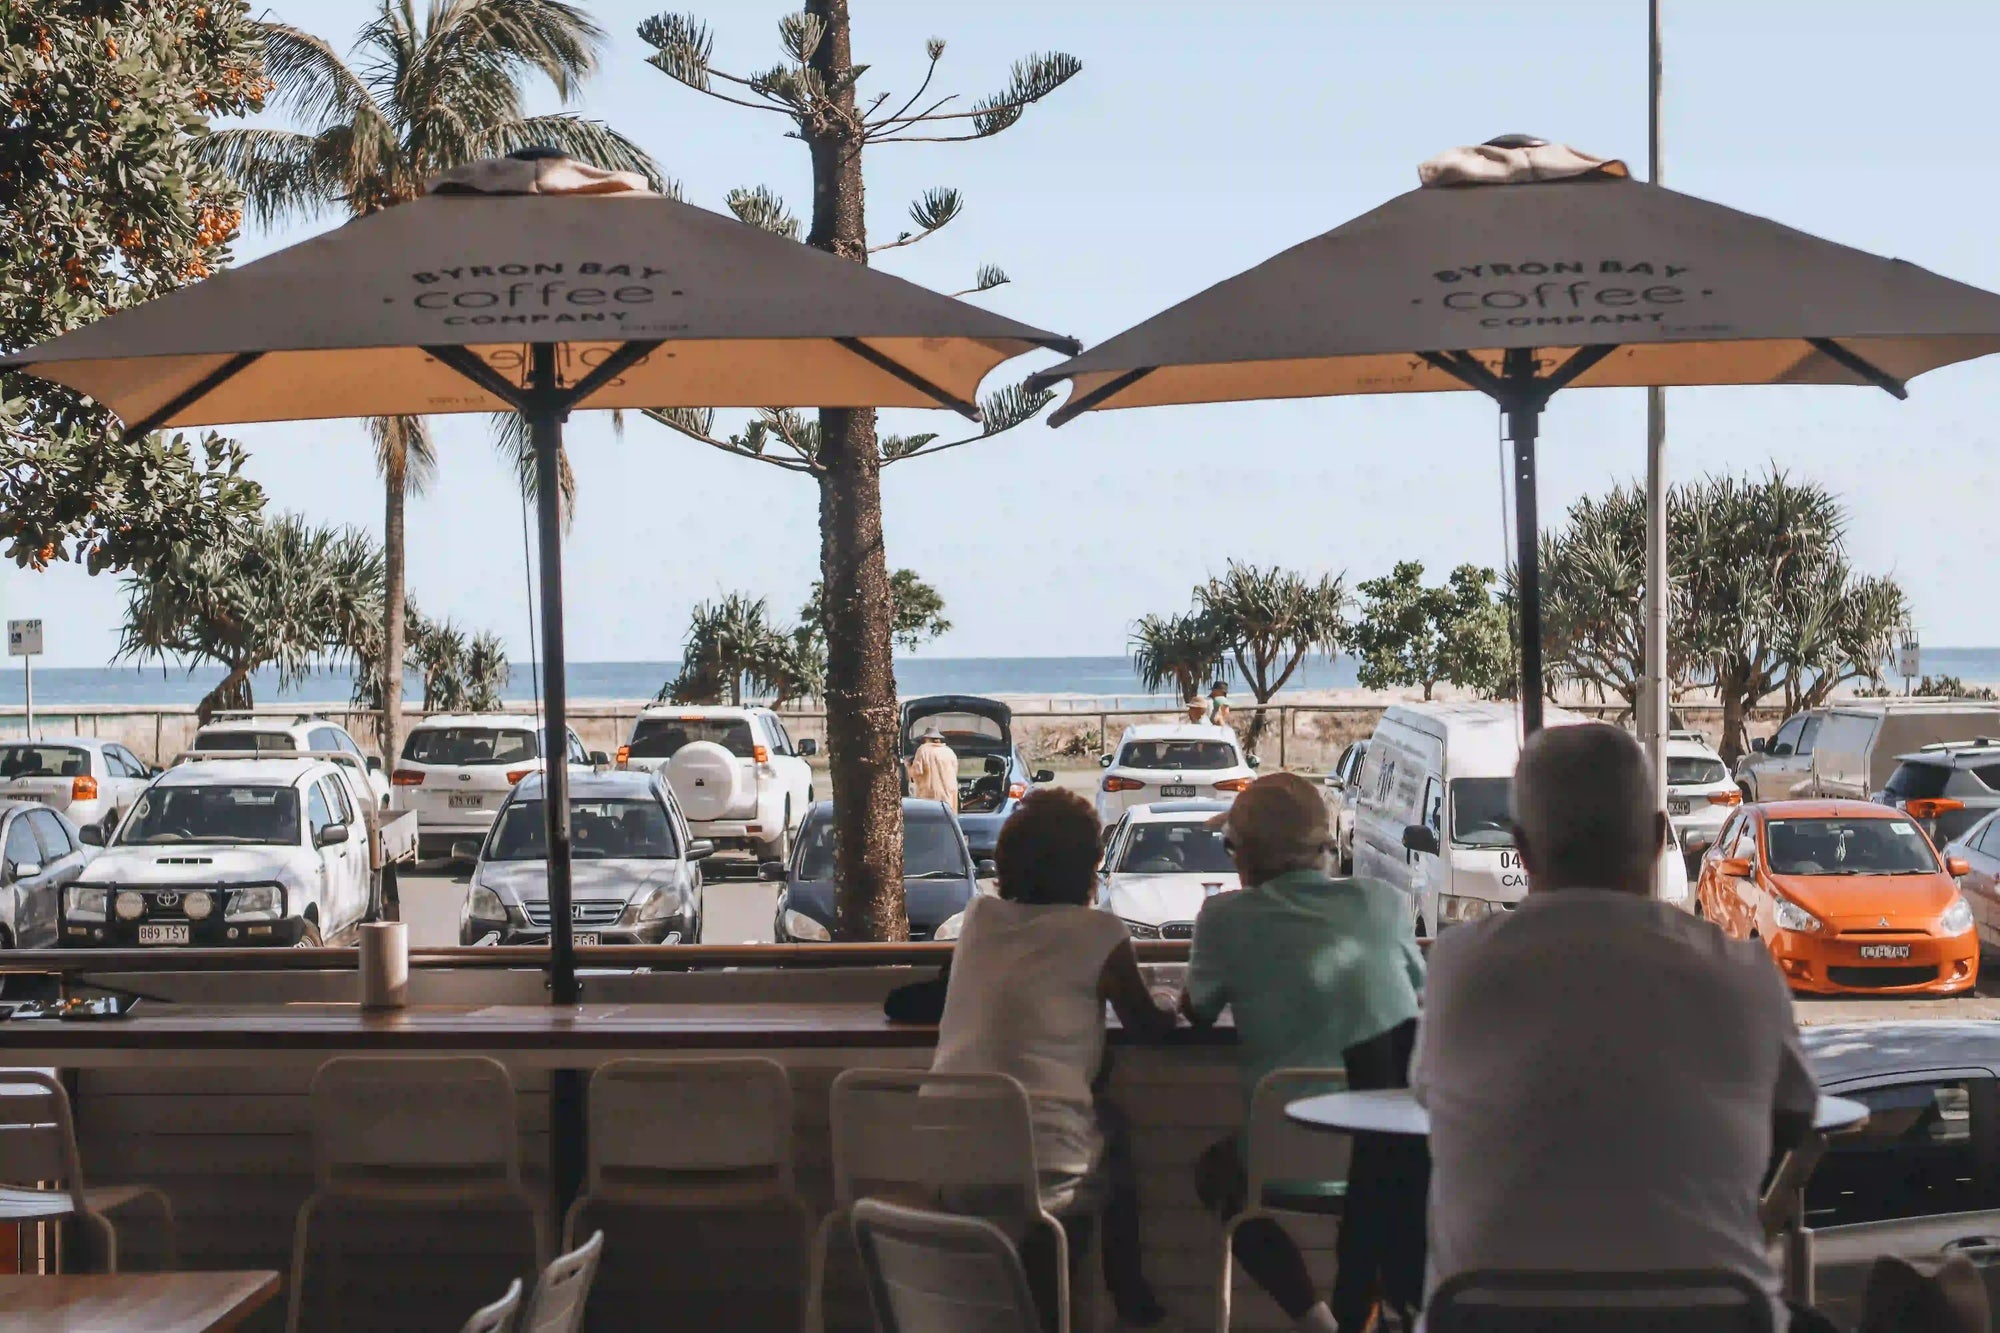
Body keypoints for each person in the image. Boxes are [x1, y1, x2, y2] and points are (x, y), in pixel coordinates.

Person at [1413, 723, 1830, 1333]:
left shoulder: (1458, 966)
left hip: (1486, 1317)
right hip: (1712, 1319)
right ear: (1661, 839)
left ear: (1523, 851)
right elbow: (1795, 1116)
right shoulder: (1743, 973)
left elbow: (1431, 1094)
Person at [1180, 772, 1427, 1333]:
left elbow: (1194, 1012)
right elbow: (1415, 988)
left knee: (1218, 1177)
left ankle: (1318, 1322)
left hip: (1282, 1153)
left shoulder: (1223, 919)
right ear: (1325, 847)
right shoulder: (1385, 903)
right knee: (1370, 1200)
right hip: (1391, 1157)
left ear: (1244, 856)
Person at [933, 788, 1178, 1332]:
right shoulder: (1102, 932)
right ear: (1088, 866)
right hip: (1042, 1161)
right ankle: (1124, 1304)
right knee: (1098, 1147)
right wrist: (1170, 1001)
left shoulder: (979, 919)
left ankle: (1088, 1303)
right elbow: (1147, 1025)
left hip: (947, 1148)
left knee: (1097, 1131)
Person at [906, 725, 959, 812]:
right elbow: (954, 773)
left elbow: (916, 772)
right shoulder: (949, 751)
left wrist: (908, 766)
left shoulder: (923, 750)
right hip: (949, 798)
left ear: (926, 738)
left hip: (931, 797)